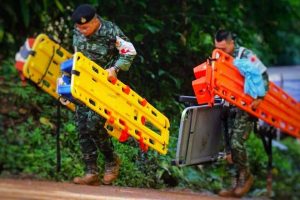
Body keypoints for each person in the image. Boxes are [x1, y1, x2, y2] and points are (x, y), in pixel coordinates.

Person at [70, 4, 136, 186]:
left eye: (85, 27)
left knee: (93, 124)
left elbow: (129, 51)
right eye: (78, 28)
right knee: (82, 127)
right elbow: (77, 55)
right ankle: (91, 172)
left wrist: (115, 68)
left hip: (104, 87)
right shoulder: (77, 31)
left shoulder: (110, 31)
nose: (81, 31)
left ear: (95, 21)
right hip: (83, 85)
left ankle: (111, 161)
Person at [214, 30, 269, 197]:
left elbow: (263, 74)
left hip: (246, 106)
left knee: (237, 143)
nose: (221, 51)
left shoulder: (244, 55)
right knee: (229, 149)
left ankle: (246, 176)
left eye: (223, 48)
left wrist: (260, 96)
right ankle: (234, 183)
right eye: (217, 48)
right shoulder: (219, 56)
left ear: (231, 43)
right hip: (229, 105)